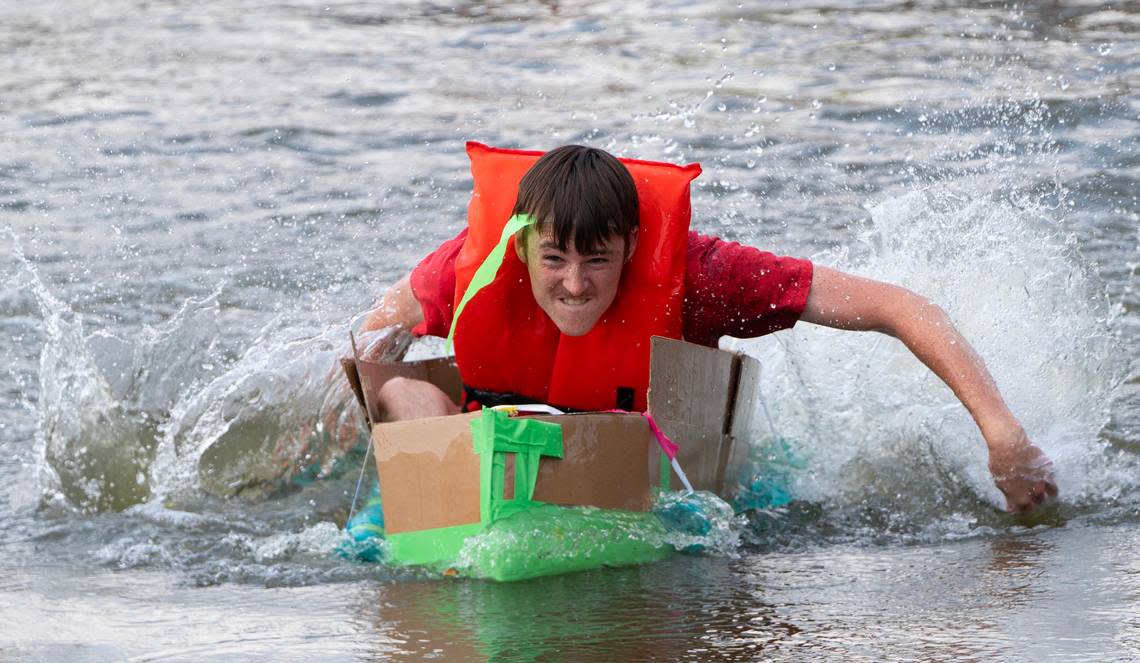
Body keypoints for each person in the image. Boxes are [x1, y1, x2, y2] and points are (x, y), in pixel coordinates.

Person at [357, 144, 1056, 514]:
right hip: (496, 438)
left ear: (630, 245)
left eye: (596, 260)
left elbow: (903, 308)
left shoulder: (705, 276)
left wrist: (1004, 436)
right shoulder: (468, 269)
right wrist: (347, 410)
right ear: (522, 248)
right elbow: (374, 338)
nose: (574, 285)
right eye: (556, 260)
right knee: (401, 388)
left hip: (651, 453)